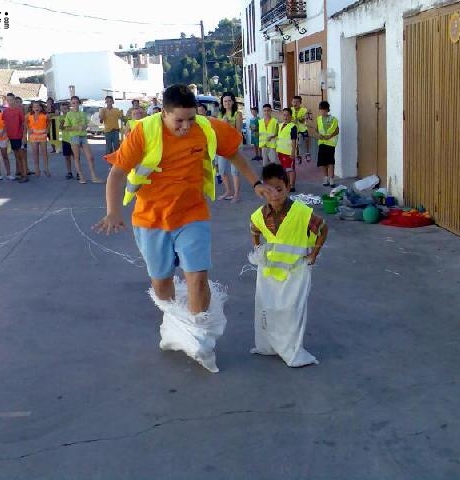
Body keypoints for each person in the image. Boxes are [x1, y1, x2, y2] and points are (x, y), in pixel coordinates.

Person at [94, 84, 275, 373]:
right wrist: (113, 211)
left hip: (192, 215)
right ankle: (175, 322)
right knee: (162, 283)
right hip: (151, 219)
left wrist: (256, 183)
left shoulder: (207, 128)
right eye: (179, 120)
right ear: (163, 113)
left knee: (198, 277)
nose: (186, 126)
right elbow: (117, 174)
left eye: (191, 119)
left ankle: (200, 339)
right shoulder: (143, 132)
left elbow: (234, 153)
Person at [249, 163, 327, 367]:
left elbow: (323, 228)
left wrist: (314, 253)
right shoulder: (259, 215)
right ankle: (269, 345)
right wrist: (257, 250)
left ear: (288, 186)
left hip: (296, 272)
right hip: (268, 272)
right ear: (262, 191)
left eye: (279, 189)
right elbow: (254, 230)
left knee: (292, 311)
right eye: (269, 190)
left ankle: (291, 351)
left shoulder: (301, 212)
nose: (274, 194)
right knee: (268, 309)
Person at [63, 95, 103, 184]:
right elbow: (66, 128)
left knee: (90, 157)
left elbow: (87, 124)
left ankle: (94, 177)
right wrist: (76, 127)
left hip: (83, 136)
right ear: (71, 104)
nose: (75, 104)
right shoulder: (69, 114)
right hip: (74, 137)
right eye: (73, 103)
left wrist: (85, 126)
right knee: (77, 157)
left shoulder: (82, 113)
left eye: (77, 102)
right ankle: (81, 177)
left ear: (79, 103)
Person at [216, 91, 243, 202]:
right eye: (225, 101)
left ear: (233, 102)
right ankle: (228, 191)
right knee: (222, 170)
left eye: (229, 101)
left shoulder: (237, 114)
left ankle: (236, 195)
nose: (227, 103)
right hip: (223, 146)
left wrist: (227, 125)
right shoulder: (220, 115)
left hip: (234, 145)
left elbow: (238, 131)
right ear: (222, 103)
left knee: (234, 171)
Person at [313, 101, 339, 188]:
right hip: (322, 143)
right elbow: (316, 129)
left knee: (330, 162)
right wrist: (318, 135)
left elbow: (337, 130)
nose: (323, 111)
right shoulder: (318, 119)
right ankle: (325, 178)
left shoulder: (333, 119)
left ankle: (332, 180)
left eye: (324, 110)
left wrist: (330, 136)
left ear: (328, 110)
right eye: (321, 110)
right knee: (323, 163)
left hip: (330, 143)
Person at [3, 94, 26, 180]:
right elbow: (5, 124)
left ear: (14, 100)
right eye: (8, 100)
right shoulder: (5, 112)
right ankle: (21, 174)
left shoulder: (18, 111)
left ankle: (25, 175)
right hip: (11, 137)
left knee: (21, 156)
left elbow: (24, 124)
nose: (10, 102)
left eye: (11, 100)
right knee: (17, 157)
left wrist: (24, 136)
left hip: (19, 136)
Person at [276, 108, 298, 192]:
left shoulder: (293, 127)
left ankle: (292, 186)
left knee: (290, 169)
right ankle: (287, 184)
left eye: (287, 115)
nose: (285, 117)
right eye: (284, 115)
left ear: (291, 116)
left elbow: (294, 140)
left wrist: (293, 152)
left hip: (289, 152)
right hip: (281, 151)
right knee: (285, 169)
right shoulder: (280, 125)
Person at [26, 101, 50, 177]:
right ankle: (37, 170)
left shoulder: (45, 115)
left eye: (37, 106)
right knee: (35, 153)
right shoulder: (28, 115)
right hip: (33, 137)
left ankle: (46, 169)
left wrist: (47, 129)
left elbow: (49, 122)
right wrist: (28, 129)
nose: (36, 108)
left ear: (40, 107)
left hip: (42, 136)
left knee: (44, 152)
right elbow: (25, 123)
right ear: (32, 108)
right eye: (34, 107)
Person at [291, 95, 311, 163]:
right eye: (294, 102)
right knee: (297, 142)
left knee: (307, 139)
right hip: (294, 128)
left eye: (297, 102)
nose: (295, 103)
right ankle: (298, 156)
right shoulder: (291, 110)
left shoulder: (304, 110)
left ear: (300, 103)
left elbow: (304, 120)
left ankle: (307, 153)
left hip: (302, 128)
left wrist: (300, 119)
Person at [58, 102, 75, 180]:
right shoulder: (61, 117)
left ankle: (78, 172)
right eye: (62, 109)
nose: (64, 110)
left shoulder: (72, 116)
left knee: (75, 157)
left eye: (65, 109)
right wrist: (63, 123)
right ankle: (69, 172)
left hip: (73, 139)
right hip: (65, 139)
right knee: (67, 157)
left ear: (68, 109)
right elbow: (61, 127)